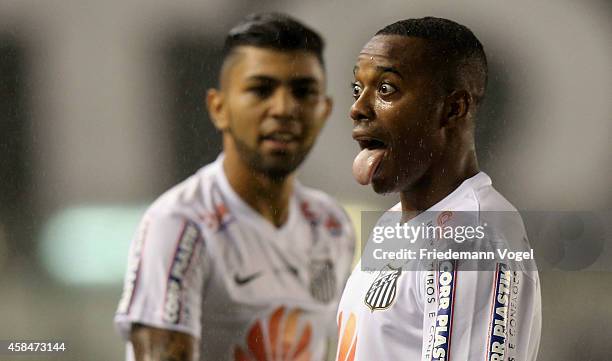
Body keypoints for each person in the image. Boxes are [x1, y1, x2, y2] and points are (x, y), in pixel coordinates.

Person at [114, 13, 355, 361]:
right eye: (261, 89)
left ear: (325, 109)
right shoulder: (181, 224)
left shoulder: (332, 225)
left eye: (303, 92)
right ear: (219, 108)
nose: (284, 108)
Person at [336, 17, 541, 361]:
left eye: (386, 89)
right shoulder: (393, 223)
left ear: (453, 108)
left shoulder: (473, 234)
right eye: (358, 89)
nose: (357, 108)